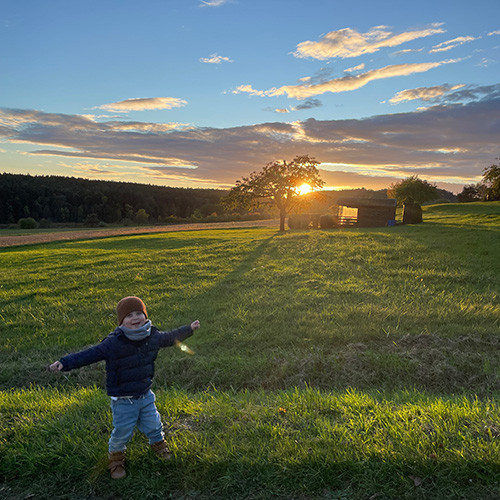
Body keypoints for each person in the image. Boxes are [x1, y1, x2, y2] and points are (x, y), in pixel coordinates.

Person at [49, 295, 200, 479]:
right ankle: (116, 459)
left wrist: (189, 329)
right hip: (122, 399)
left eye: (139, 313)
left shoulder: (152, 335)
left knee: (154, 424)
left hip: (145, 393)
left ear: (145, 316)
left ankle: (159, 446)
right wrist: (65, 363)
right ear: (121, 321)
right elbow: (90, 354)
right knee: (122, 431)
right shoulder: (114, 342)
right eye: (129, 315)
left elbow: (170, 337)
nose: (135, 318)